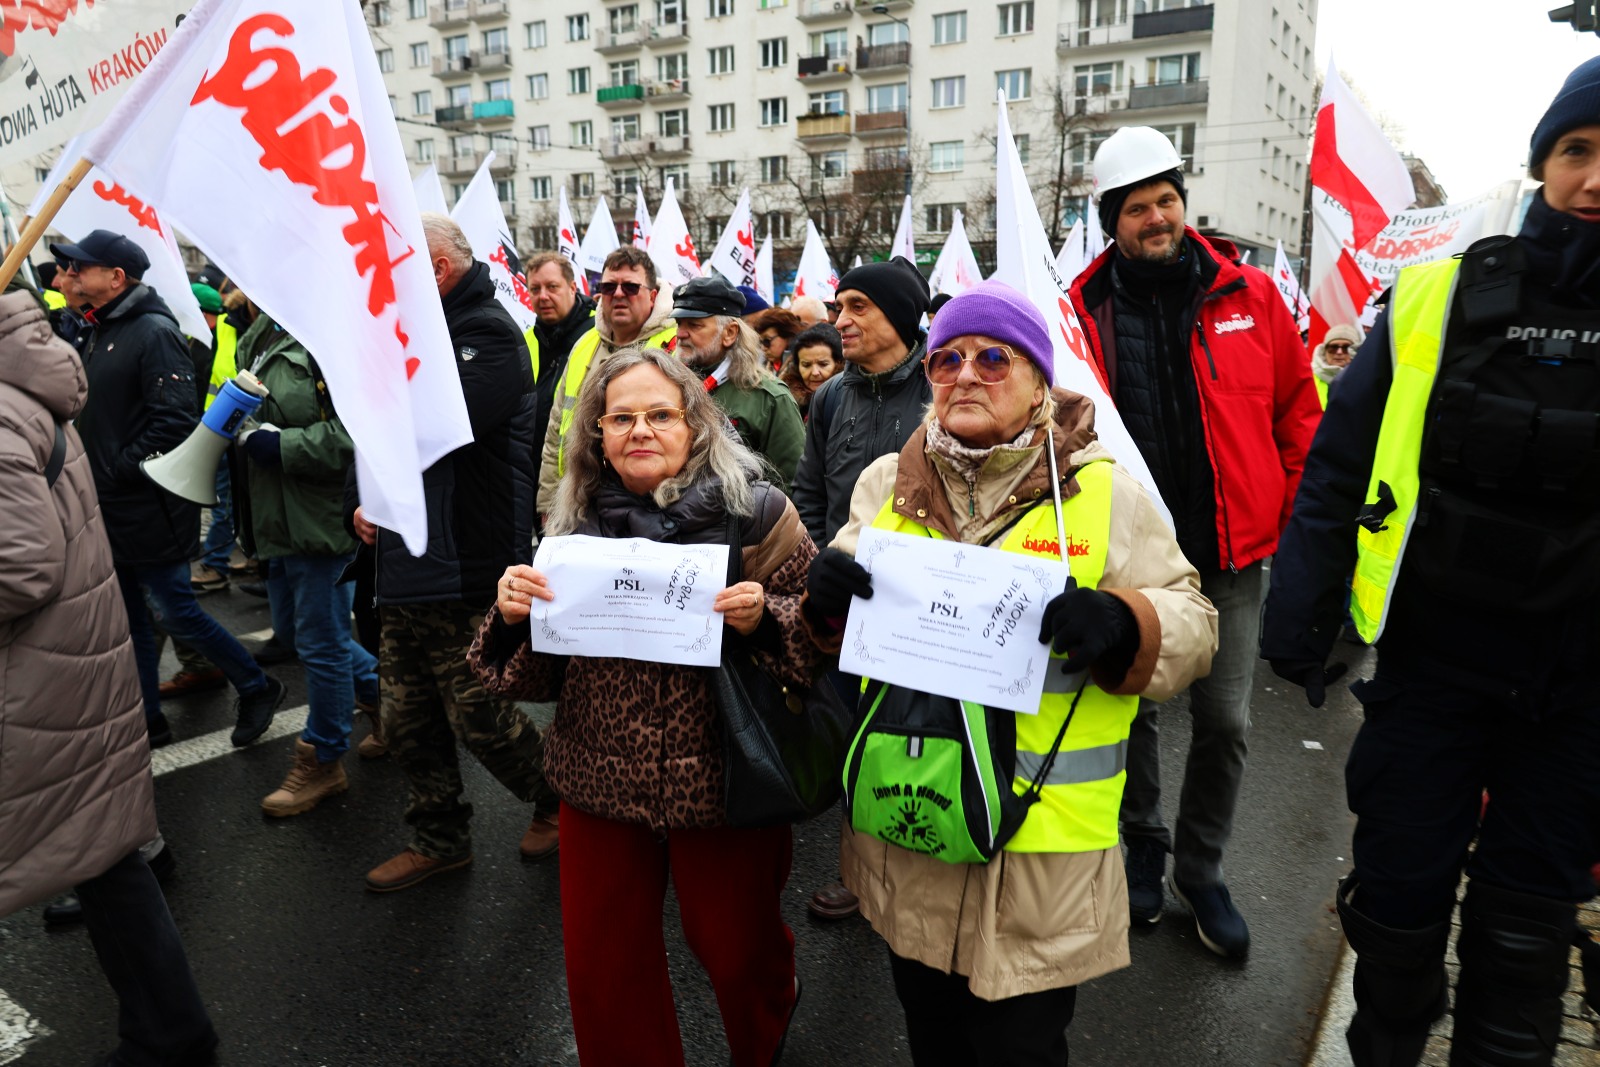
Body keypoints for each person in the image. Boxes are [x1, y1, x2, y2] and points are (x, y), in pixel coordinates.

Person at [1260, 59, 1600, 1067]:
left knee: (1526, 931)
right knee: (1397, 905)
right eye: (1577, 152)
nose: (1593, 179)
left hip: (1576, 689)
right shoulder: (1434, 297)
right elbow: (1338, 465)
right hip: (1431, 667)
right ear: (1542, 163)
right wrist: (1300, 614)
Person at [803, 281, 1217, 1063]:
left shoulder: (1105, 492)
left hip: (1037, 848)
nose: (966, 373)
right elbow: (845, 613)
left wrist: (1127, 620)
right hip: (913, 826)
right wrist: (824, 602)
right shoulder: (888, 481)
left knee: (1020, 1050)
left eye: (994, 357)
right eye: (946, 359)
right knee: (931, 1036)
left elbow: (1195, 625)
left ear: (1038, 381)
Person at [468, 347, 819, 1067]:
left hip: (726, 780)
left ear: (695, 424)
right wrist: (510, 617)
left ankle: (768, 1023)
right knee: (605, 969)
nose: (640, 430)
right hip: (598, 781)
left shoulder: (756, 513)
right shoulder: (571, 524)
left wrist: (768, 619)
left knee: (735, 949)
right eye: (620, 416)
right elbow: (529, 677)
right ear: (596, 434)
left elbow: (825, 638)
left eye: (660, 414)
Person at [1067, 126, 1320, 956]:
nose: (1157, 218)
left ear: (1184, 202)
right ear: (1112, 218)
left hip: (1232, 554)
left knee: (1227, 720)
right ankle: (1143, 845)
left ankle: (1201, 867)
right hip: (1130, 556)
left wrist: (1276, 508)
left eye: (1167, 200)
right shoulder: (1078, 309)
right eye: (1137, 207)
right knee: (1131, 707)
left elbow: (1297, 413)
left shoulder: (1247, 294)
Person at [0, 284, 217, 1066]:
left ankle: (170, 1034)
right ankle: (168, 1030)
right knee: (98, 855)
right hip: (65, 660)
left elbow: (19, 568)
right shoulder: (27, 382)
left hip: (41, 672)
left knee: (99, 857)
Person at [358, 214, 560, 891]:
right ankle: (439, 838)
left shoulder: (491, 335)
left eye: (397, 269)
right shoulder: (408, 331)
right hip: (406, 560)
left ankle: (562, 799)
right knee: (406, 717)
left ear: (437, 269)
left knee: (479, 714)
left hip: (467, 558)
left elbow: (434, 430)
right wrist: (369, 503)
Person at [57, 228, 284, 749]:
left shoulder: (153, 332)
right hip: (113, 501)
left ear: (116, 278)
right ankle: (147, 717)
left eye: (79, 267)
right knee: (132, 613)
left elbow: (173, 423)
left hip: (149, 501)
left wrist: (111, 471)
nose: (68, 276)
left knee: (173, 608)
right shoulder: (99, 328)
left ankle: (256, 685)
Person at [791, 255, 932, 920]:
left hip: (927, 607)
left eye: (856, 308)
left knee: (921, 734)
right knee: (857, 732)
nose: (837, 320)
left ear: (898, 318)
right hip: (847, 605)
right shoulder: (830, 397)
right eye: (837, 306)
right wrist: (820, 569)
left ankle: (931, 854)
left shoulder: (944, 386)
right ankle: (864, 867)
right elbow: (810, 488)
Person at [235, 309, 381, 815]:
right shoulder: (267, 327)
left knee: (320, 641)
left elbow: (359, 433)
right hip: (278, 516)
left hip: (320, 519)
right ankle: (387, 698)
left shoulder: (335, 332)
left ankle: (322, 757)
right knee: (312, 637)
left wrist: (280, 444)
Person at [536, 245, 677, 519]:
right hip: (581, 503)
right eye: (610, 287)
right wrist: (549, 504)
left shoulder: (675, 345)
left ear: (653, 294)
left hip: (653, 505)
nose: (619, 294)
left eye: (631, 287)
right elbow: (555, 435)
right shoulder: (584, 344)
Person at [671, 276, 806, 490]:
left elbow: (792, 482)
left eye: (694, 325)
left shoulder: (768, 397)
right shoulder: (667, 385)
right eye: (679, 323)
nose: (680, 334)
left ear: (730, 333)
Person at [523, 251, 595, 493]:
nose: (543, 296)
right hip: (535, 474)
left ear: (572, 287)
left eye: (552, 287)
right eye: (535, 289)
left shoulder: (597, 336)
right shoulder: (526, 341)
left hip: (582, 476)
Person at [779, 321, 843, 418]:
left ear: (838, 364)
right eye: (806, 365)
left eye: (823, 364)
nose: (815, 372)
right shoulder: (785, 402)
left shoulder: (849, 401)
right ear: (797, 367)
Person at [1310, 322, 1361, 409]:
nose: (1339, 352)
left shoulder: (1365, 379)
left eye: (1346, 348)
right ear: (1324, 351)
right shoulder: (1308, 378)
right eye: (1333, 347)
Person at [748, 306, 803, 372]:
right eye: (760, 342)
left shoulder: (802, 368)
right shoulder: (762, 368)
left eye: (767, 341)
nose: (763, 348)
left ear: (788, 336)